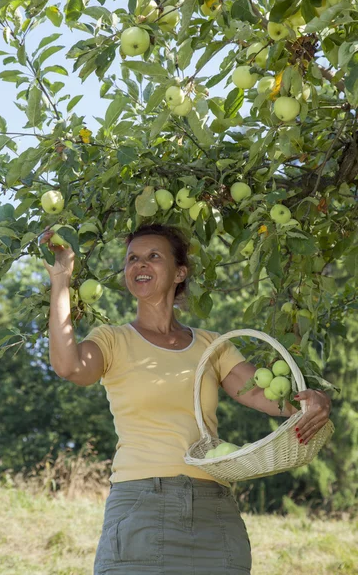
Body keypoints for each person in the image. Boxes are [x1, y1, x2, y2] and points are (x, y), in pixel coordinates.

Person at [41, 222, 332, 575]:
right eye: (132, 258)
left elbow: (262, 393)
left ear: (180, 272)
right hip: (141, 508)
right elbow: (68, 366)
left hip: (215, 511)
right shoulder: (112, 340)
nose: (140, 265)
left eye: (153, 256)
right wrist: (61, 278)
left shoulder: (212, 345)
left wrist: (311, 402)